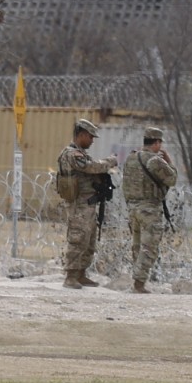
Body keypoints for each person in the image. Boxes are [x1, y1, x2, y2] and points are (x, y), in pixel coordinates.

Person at [56, 119, 118, 289]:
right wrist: (109, 161)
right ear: (81, 135)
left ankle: (81, 274)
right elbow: (92, 167)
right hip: (79, 205)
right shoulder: (72, 154)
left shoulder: (80, 153)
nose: (91, 140)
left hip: (87, 204)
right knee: (77, 239)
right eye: (90, 137)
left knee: (88, 241)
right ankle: (70, 276)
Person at [122, 127, 178, 294]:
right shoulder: (155, 161)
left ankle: (136, 281)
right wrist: (169, 161)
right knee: (149, 247)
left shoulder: (131, 157)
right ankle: (139, 283)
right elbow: (172, 179)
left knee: (137, 246)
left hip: (133, 208)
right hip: (149, 209)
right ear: (157, 143)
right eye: (160, 143)